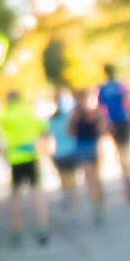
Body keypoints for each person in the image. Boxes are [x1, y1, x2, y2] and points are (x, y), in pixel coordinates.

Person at [0, 88, 50, 247]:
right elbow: (44, 128)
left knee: (14, 196)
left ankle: (18, 232)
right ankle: (43, 228)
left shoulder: (7, 114)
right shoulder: (29, 113)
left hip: (16, 159)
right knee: (37, 192)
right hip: (31, 157)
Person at [96, 65, 130, 201]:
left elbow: (101, 108)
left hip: (113, 122)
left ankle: (126, 178)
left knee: (120, 151)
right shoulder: (121, 86)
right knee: (126, 150)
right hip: (123, 120)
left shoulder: (102, 89)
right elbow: (129, 101)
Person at [71, 88, 108, 223]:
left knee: (94, 176)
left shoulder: (95, 111)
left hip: (92, 144)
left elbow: (103, 126)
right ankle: (97, 202)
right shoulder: (76, 113)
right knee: (90, 176)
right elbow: (70, 130)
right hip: (83, 145)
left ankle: (99, 201)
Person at [47, 87, 83, 226]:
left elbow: (49, 138)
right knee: (72, 182)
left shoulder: (52, 120)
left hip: (59, 153)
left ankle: (66, 195)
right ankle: (76, 212)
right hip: (70, 151)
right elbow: (72, 133)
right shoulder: (68, 117)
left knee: (64, 179)